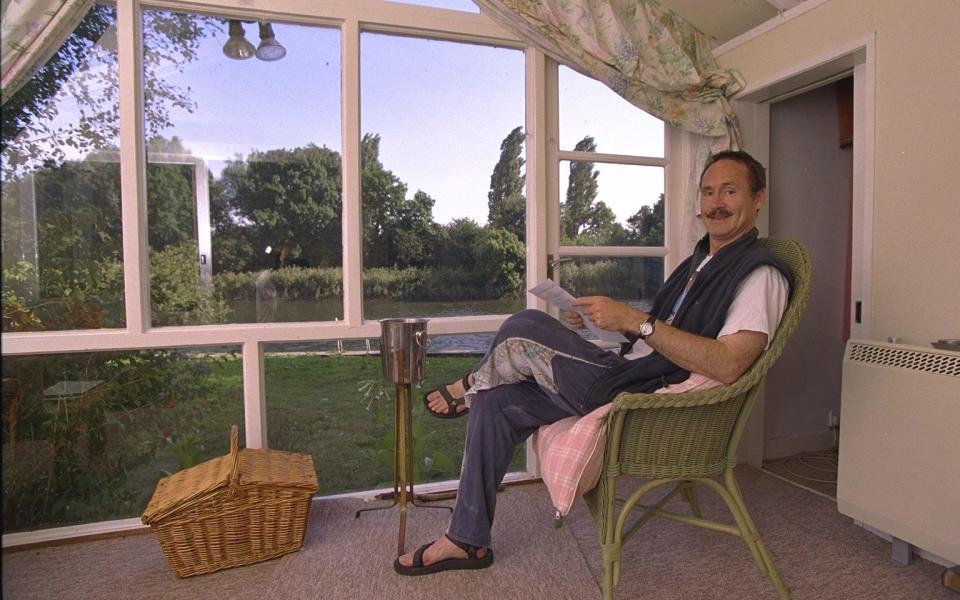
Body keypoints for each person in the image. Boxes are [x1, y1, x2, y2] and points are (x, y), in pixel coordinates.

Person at [395, 150, 791, 576]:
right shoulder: (701, 263)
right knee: (495, 402)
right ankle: (466, 540)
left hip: (643, 401)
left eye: (729, 191)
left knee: (525, 324)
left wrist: (636, 320)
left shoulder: (759, 275)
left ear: (758, 198)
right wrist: (609, 324)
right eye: (708, 192)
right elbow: (656, 338)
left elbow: (731, 364)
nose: (715, 203)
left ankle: (470, 382)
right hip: (629, 370)